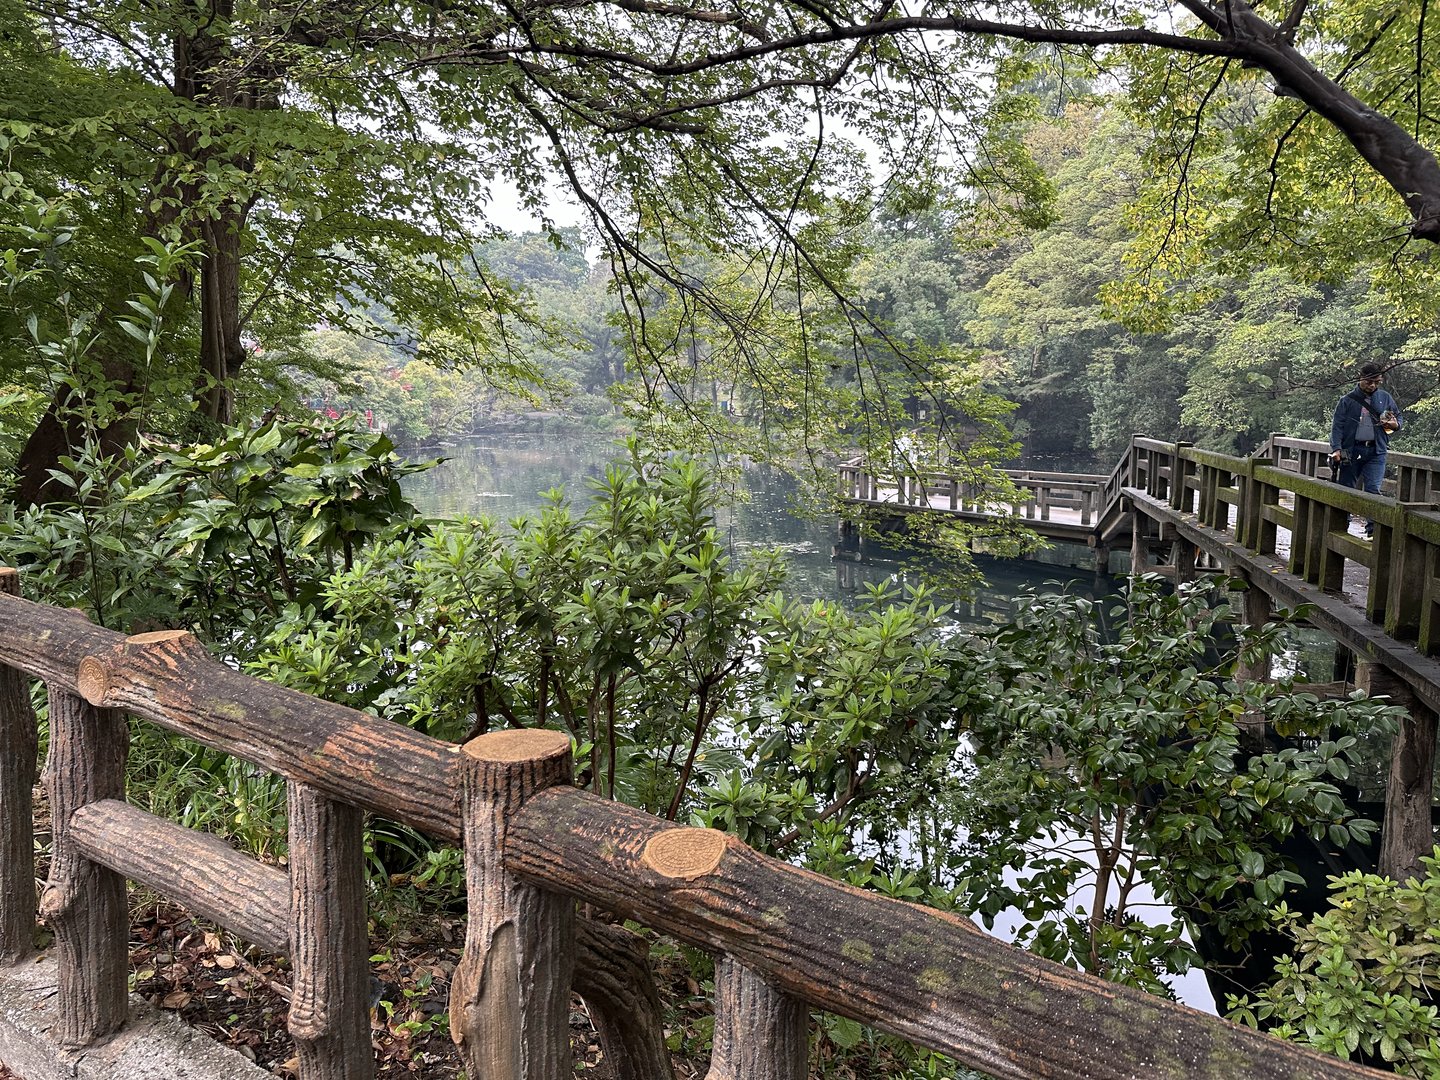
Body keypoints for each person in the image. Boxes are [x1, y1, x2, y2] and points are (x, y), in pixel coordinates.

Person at [1330, 362, 1402, 538]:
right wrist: (1336, 449)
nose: (1373, 386)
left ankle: (1373, 531)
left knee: (1373, 489)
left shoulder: (1384, 398)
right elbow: (1337, 426)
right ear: (1360, 377)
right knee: (1346, 488)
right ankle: (1341, 525)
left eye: (1377, 382)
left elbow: (1398, 419)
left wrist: (1394, 424)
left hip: (1376, 450)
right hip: (1351, 450)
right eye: (1370, 381)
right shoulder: (1346, 400)